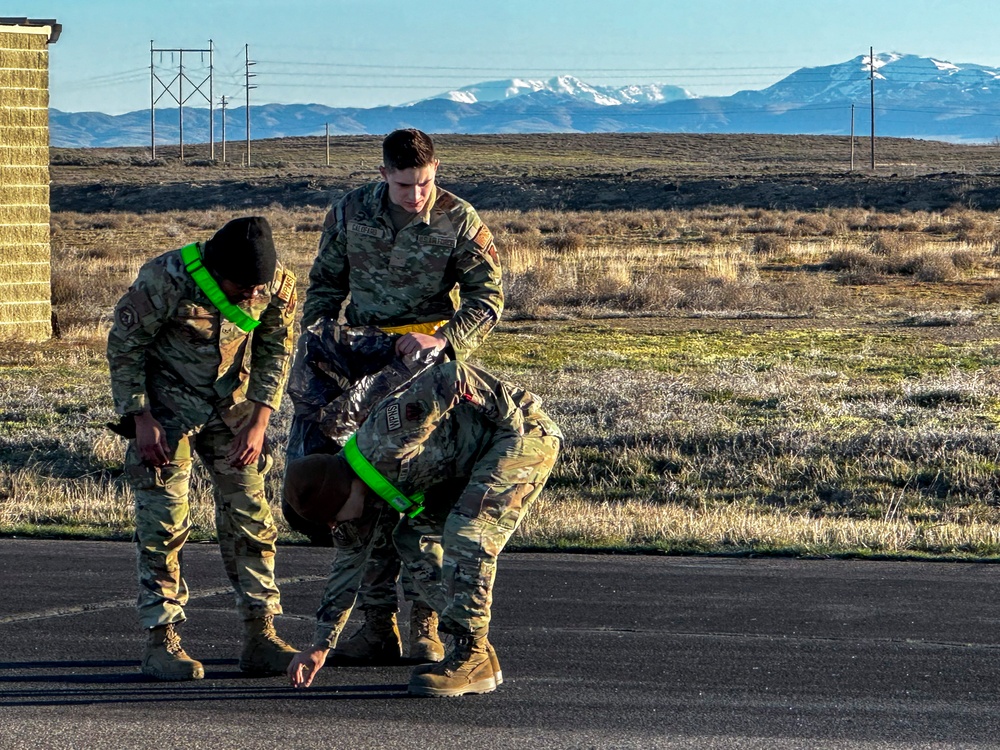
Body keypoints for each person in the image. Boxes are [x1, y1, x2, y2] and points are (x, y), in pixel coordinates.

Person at [284, 128, 504, 665]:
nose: (416, 195)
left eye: (425, 183)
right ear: (383, 174)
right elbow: (324, 289)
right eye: (405, 185)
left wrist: (445, 340)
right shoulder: (348, 213)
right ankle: (376, 626)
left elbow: (488, 297)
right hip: (360, 365)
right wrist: (320, 350)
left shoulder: (459, 218)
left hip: (427, 371)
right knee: (362, 497)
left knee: (420, 499)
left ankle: (424, 626)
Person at [283, 361, 562, 697]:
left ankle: (471, 654)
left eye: (332, 518)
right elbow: (347, 567)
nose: (334, 526)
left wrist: (511, 413)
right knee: (411, 536)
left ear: (339, 492)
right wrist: (320, 645)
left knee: (468, 535)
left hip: (518, 437)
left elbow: (451, 374)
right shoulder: (361, 499)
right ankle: (473, 644)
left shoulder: (386, 438)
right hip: (470, 463)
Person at [107, 216, 299, 681]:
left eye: (258, 288)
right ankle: (162, 640)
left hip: (231, 408)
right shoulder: (166, 277)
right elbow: (125, 346)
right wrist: (141, 418)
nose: (250, 297)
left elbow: (276, 347)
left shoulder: (276, 284)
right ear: (215, 271)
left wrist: (259, 419)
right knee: (164, 523)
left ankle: (260, 634)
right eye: (240, 288)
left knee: (251, 517)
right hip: (165, 409)